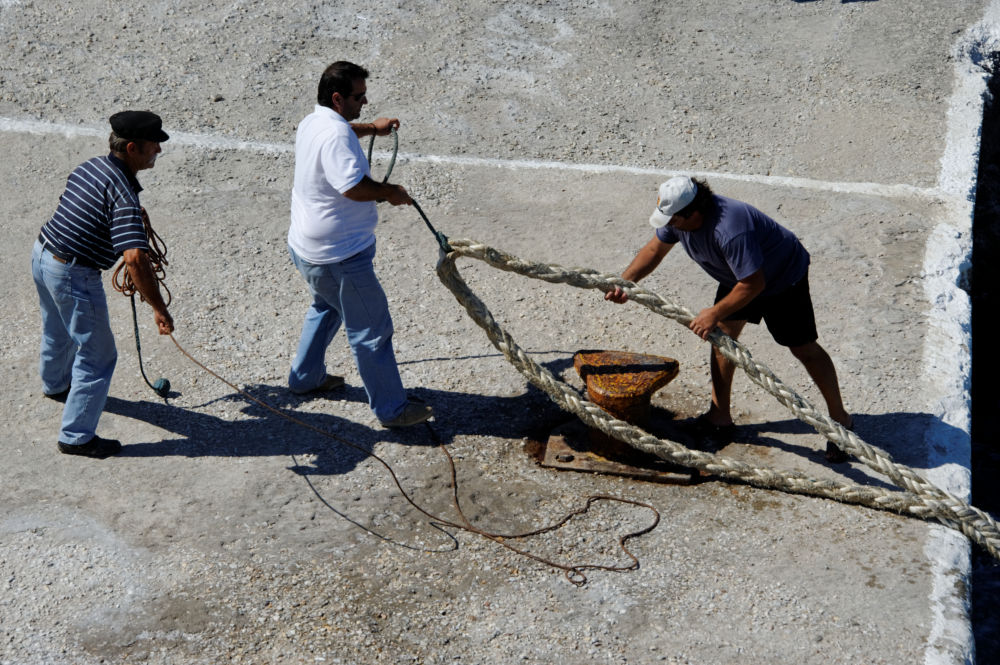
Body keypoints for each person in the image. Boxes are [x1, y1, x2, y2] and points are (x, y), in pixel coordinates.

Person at [605, 176, 853, 462]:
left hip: (781, 279)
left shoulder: (730, 228)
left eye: (673, 220)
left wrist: (713, 312)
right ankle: (719, 416)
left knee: (803, 348)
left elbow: (753, 285)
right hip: (738, 276)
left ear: (694, 212)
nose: (669, 225)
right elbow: (654, 250)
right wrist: (626, 282)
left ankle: (841, 421)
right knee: (722, 338)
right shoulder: (680, 219)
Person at [286, 60, 432, 428]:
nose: (364, 102)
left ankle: (304, 378)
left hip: (307, 249)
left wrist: (372, 130)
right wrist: (390, 193)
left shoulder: (313, 121)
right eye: (359, 97)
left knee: (326, 306)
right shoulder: (336, 135)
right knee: (372, 332)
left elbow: (342, 130)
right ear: (338, 98)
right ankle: (393, 410)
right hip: (341, 256)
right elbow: (352, 186)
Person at [32, 110, 175, 459]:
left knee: (57, 328)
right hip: (73, 273)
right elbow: (134, 259)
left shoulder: (92, 166)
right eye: (153, 145)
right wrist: (159, 308)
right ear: (131, 148)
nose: (158, 149)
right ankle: (76, 436)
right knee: (98, 356)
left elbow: (85, 207)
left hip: (42, 254)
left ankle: (55, 385)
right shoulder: (124, 195)